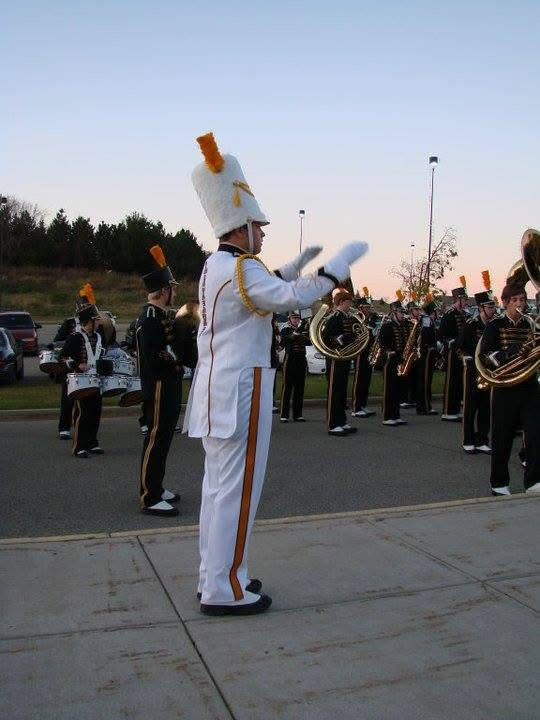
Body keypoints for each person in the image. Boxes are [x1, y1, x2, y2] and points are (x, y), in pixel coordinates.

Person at [184, 132, 368, 615]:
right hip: (240, 389)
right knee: (238, 491)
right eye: (258, 227)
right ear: (240, 227)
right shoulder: (240, 269)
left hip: (218, 390)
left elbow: (264, 286)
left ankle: (218, 575)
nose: (263, 233)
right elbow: (286, 298)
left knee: (218, 491)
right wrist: (332, 271)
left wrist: (296, 265)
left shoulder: (219, 266)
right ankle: (226, 588)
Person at [137, 245, 185, 517]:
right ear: (163, 291)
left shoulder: (161, 317)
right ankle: (149, 496)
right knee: (156, 439)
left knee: (164, 438)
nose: (175, 293)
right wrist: (174, 356)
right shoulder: (150, 318)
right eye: (172, 289)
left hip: (168, 384)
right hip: (157, 386)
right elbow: (153, 358)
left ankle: (156, 485)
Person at [478, 282, 540, 495]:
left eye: (522, 300)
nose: (520, 304)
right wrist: (509, 355)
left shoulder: (530, 325)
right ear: (505, 303)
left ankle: (533, 481)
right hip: (505, 388)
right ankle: (499, 483)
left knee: (535, 433)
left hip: (529, 386)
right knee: (502, 437)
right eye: (515, 300)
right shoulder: (494, 326)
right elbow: (485, 355)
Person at [60, 285, 109, 458]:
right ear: (88, 321)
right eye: (96, 319)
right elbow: (62, 357)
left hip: (96, 380)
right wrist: (77, 365)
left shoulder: (99, 337)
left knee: (96, 412)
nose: (98, 322)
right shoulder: (75, 337)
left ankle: (92, 442)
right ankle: (79, 445)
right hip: (81, 382)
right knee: (82, 413)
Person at [456, 288, 496, 454]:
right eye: (489, 307)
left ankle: (482, 439)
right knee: (471, 405)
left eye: (493, 306)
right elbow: (460, 345)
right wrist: (465, 357)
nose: (493, 310)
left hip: (488, 370)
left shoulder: (494, 325)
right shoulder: (471, 324)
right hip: (472, 369)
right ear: (481, 308)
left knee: (486, 406)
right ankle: (468, 439)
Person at [322, 289, 358, 436]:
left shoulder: (348, 317)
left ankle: (342, 421)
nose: (350, 305)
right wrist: (342, 338)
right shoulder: (333, 318)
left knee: (342, 392)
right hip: (335, 358)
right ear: (341, 302)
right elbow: (326, 337)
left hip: (345, 358)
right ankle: (333, 424)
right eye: (348, 302)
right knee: (334, 391)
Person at [439, 282, 468, 421]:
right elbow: (442, 333)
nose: (465, 302)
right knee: (451, 381)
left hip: (459, 352)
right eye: (463, 299)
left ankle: (455, 409)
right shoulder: (450, 314)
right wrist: (451, 341)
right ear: (458, 300)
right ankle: (447, 411)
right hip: (451, 351)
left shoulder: (461, 314)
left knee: (458, 381)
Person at [379, 297, 409, 426]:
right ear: (394, 313)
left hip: (399, 359)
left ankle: (396, 415)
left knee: (397, 388)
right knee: (389, 388)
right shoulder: (387, 326)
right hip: (389, 360)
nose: (403, 315)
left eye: (403, 312)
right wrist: (388, 351)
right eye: (400, 312)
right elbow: (381, 342)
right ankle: (387, 416)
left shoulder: (403, 326)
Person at [351, 288, 377, 418]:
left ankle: (363, 405)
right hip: (360, 352)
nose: (369, 310)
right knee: (359, 379)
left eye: (369, 308)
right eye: (366, 308)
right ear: (361, 308)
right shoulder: (356, 319)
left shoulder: (370, 320)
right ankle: (356, 407)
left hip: (369, 352)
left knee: (367, 379)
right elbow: (355, 335)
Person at [279, 311, 309, 422]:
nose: (296, 320)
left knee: (299, 388)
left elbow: (309, 342)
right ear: (289, 319)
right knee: (287, 387)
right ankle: (284, 415)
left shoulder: (303, 330)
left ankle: (298, 414)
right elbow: (285, 341)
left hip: (301, 359)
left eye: (297, 318)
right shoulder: (285, 330)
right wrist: (295, 334)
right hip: (290, 359)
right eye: (294, 318)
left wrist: (302, 333)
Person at [53, 314, 78, 439]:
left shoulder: (96, 325)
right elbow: (57, 340)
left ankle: (85, 430)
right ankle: (64, 428)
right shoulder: (69, 323)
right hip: (70, 368)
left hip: (88, 369)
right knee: (67, 399)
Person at [415, 297, 439, 416]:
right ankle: (423, 406)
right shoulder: (426, 321)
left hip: (430, 354)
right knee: (424, 380)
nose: (436, 314)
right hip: (425, 354)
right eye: (435, 312)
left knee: (427, 380)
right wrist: (429, 347)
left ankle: (426, 404)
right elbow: (424, 337)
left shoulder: (430, 321)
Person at [400, 299, 421, 409]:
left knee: (415, 376)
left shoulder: (418, 322)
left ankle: (412, 398)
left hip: (415, 351)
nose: (418, 312)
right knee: (406, 375)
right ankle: (404, 398)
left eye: (418, 309)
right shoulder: (406, 322)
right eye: (416, 310)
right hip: (407, 351)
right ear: (410, 311)